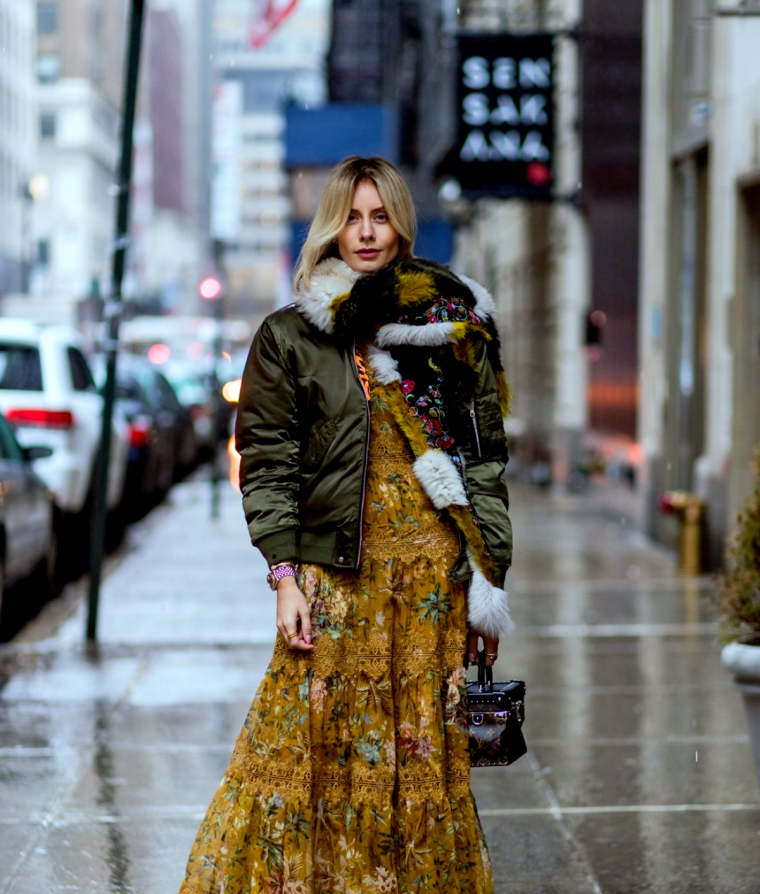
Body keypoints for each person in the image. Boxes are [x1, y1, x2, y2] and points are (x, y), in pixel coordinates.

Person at [179, 156, 514, 894]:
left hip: (431, 583)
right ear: (330, 225)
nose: (366, 233)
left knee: (421, 760)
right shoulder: (292, 336)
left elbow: (485, 461)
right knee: (305, 753)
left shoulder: (451, 326)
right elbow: (267, 462)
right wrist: (283, 574)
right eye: (352, 217)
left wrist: (490, 577)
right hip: (337, 574)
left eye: (380, 216)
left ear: (401, 224)